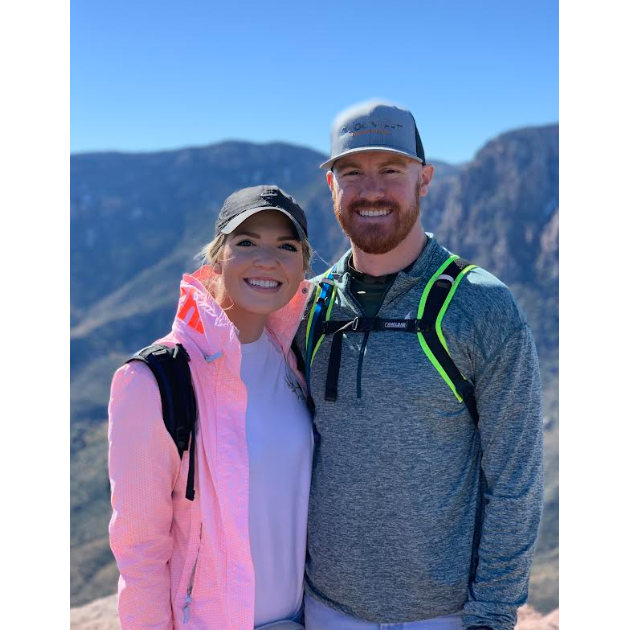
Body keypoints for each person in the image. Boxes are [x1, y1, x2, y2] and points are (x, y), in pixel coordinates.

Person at [296, 101, 544, 630]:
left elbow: (515, 477)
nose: (371, 190)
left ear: (424, 179)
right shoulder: (307, 307)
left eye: (391, 170)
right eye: (351, 172)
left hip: (444, 617)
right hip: (321, 610)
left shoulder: (481, 306)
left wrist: (492, 615)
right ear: (331, 187)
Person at [108, 185, 315, 630]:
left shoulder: (294, 363)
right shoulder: (155, 381)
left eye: (286, 246)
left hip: (301, 620)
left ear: (303, 266)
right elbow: (140, 549)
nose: (268, 259)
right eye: (246, 243)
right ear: (216, 258)